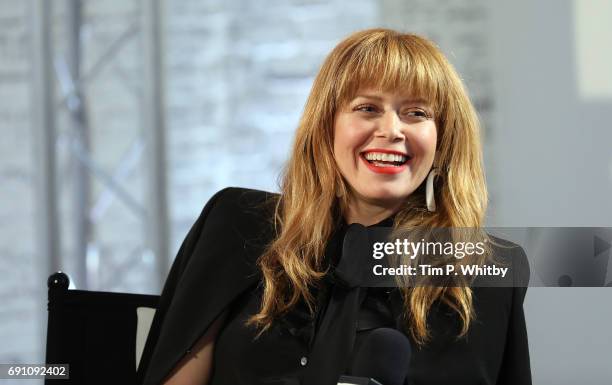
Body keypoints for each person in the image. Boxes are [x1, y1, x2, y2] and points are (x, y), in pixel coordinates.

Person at [136, 28, 532, 385]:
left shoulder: (482, 268)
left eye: (417, 113)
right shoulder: (238, 222)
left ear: (442, 141)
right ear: (327, 127)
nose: (392, 130)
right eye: (367, 108)